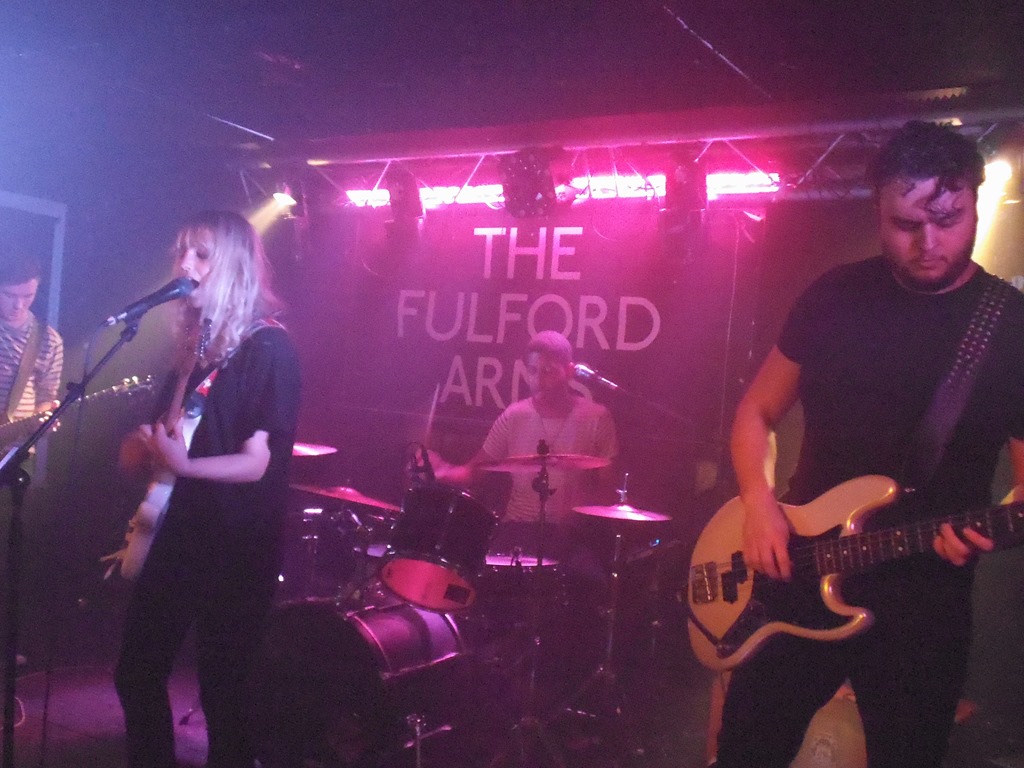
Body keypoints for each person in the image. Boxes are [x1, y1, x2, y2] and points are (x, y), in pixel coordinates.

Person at [714, 120, 1024, 768]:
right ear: (877, 211)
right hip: (799, 572)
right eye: (906, 224)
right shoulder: (835, 295)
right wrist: (759, 503)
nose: (928, 243)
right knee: (745, 750)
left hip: (924, 604)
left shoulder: (1010, 326)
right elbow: (756, 411)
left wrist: (989, 531)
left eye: (948, 219)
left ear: (975, 202)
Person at [112, 210, 301, 768]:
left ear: (234, 267)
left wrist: (187, 466)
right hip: (179, 532)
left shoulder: (269, 349)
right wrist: (141, 448)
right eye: (181, 252)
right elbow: (162, 440)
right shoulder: (191, 351)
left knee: (225, 691)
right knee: (137, 671)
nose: (184, 265)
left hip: (237, 543)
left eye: (200, 255)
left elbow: (256, 463)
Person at [431, 330, 619, 570]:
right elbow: (474, 472)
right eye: (532, 371)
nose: (538, 380)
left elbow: (608, 488)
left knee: (589, 578)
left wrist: (581, 508)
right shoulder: (514, 416)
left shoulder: (596, 417)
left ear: (570, 371)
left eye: (548, 371)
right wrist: (441, 471)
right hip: (518, 529)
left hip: (571, 533)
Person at [0, 247, 63, 446]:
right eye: (10, 295)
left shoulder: (49, 340)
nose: (19, 305)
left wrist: (43, 422)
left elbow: (45, 397)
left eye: (28, 296)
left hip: (15, 452)